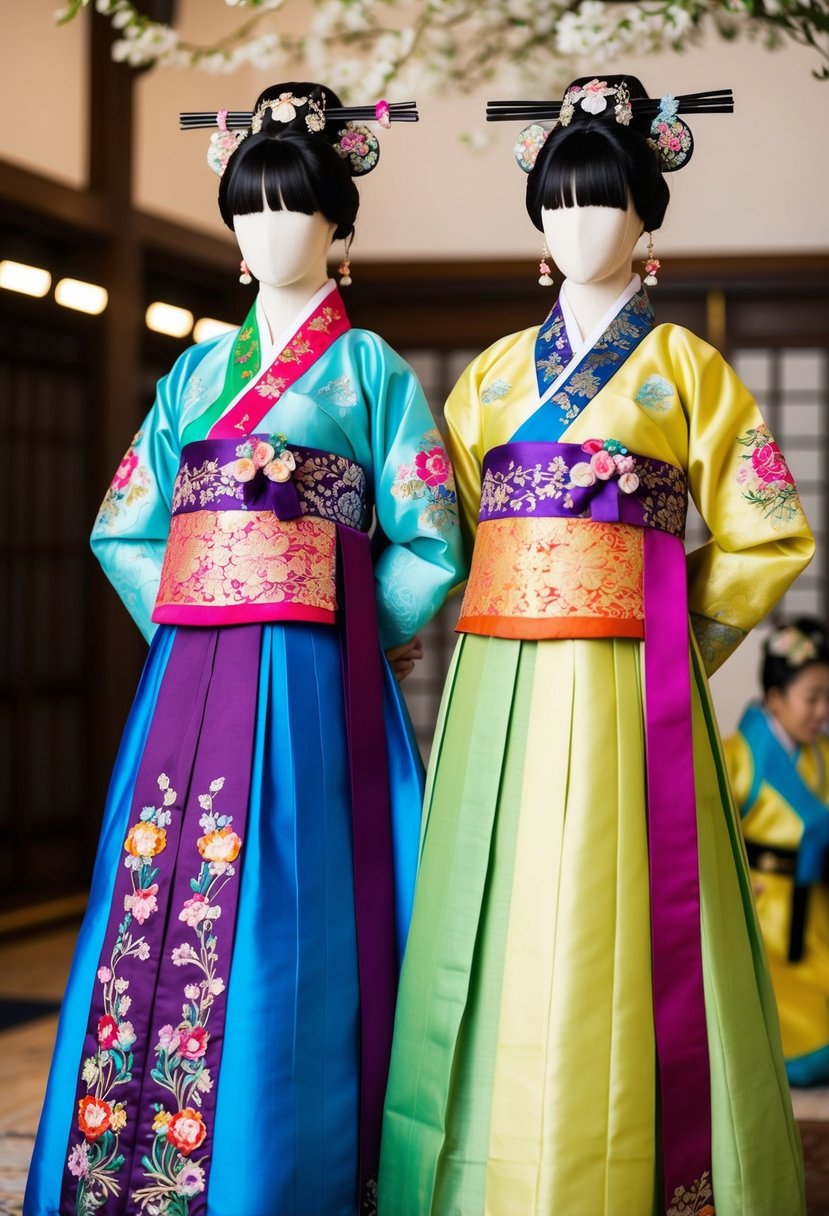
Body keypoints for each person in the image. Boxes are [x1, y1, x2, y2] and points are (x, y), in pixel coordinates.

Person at [25, 82, 463, 1216]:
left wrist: (361, 618)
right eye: (249, 211)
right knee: (168, 882)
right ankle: (147, 1145)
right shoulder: (193, 375)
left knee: (298, 896)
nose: (269, 232)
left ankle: (290, 1156)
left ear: (338, 229)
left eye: (296, 209)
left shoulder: (370, 373)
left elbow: (429, 535)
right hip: (197, 664)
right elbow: (126, 522)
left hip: (318, 665)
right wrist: (195, 611)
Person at [379, 76, 813, 1216]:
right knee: (497, 898)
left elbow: (769, 531)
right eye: (559, 202)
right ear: (535, 223)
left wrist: (680, 638)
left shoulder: (688, 372)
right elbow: (448, 532)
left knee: (628, 904)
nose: (580, 224)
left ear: (647, 220)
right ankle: (481, 1166)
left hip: (633, 674)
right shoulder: (483, 380)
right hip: (503, 678)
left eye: (606, 199)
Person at [724, 618, 829, 1087]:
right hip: (762, 920)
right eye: (812, 698)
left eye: (827, 698)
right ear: (775, 697)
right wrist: (735, 882)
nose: (822, 712)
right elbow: (700, 835)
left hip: (815, 915)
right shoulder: (736, 757)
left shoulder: (820, 755)